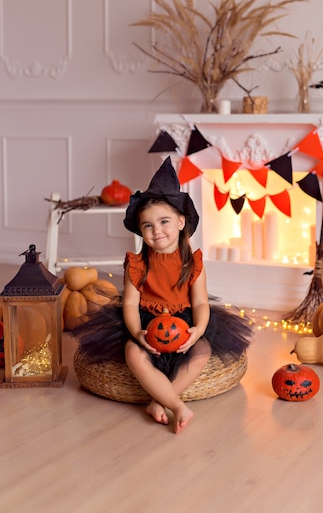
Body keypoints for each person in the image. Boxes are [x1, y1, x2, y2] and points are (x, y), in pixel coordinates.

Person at [73, 157, 253, 434]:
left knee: (202, 351)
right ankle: (177, 405)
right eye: (147, 226)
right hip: (145, 320)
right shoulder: (137, 264)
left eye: (164, 221)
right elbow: (130, 303)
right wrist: (137, 332)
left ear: (181, 222)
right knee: (133, 354)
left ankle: (160, 400)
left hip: (184, 318)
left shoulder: (193, 263)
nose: (157, 231)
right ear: (141, 230)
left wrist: (198, 329)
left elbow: (201, 302)